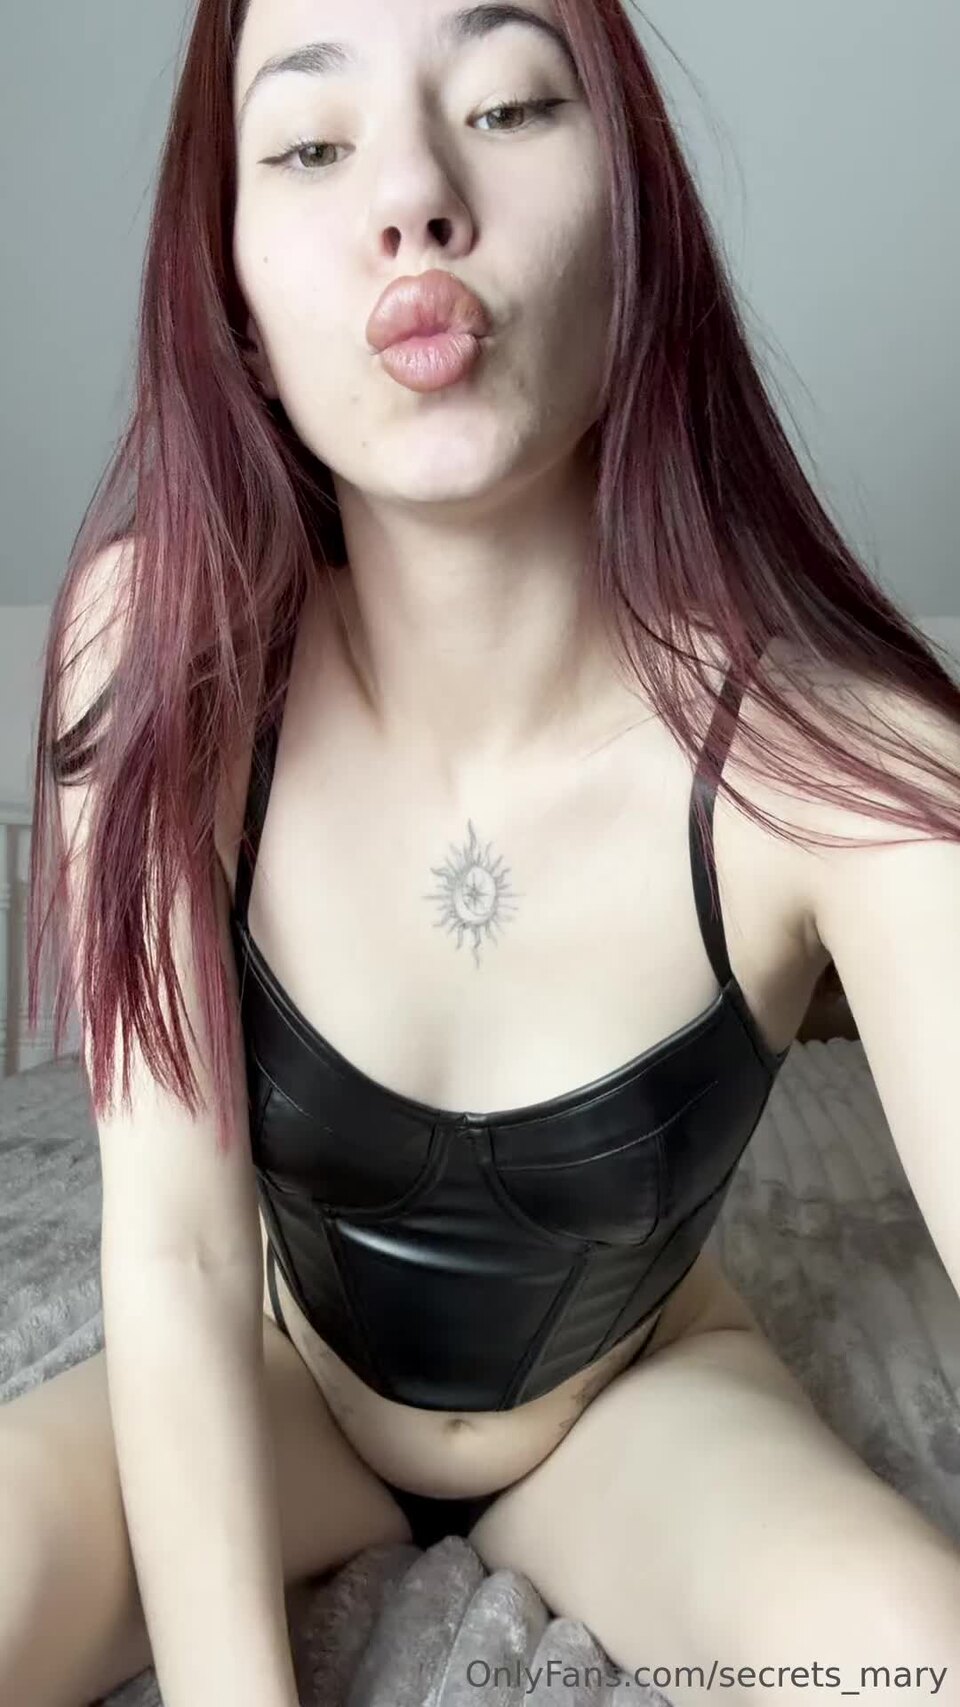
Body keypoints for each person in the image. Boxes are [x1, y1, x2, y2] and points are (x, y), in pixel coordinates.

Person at [6, 1, 960, 1703]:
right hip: (285, 1383)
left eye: (511, 106)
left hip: (631, 1414)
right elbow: (179, 1251)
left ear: (638, 221)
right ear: (236, 297)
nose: (413, 197)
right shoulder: (154, 654)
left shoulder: (843, 769)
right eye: (312, 145)